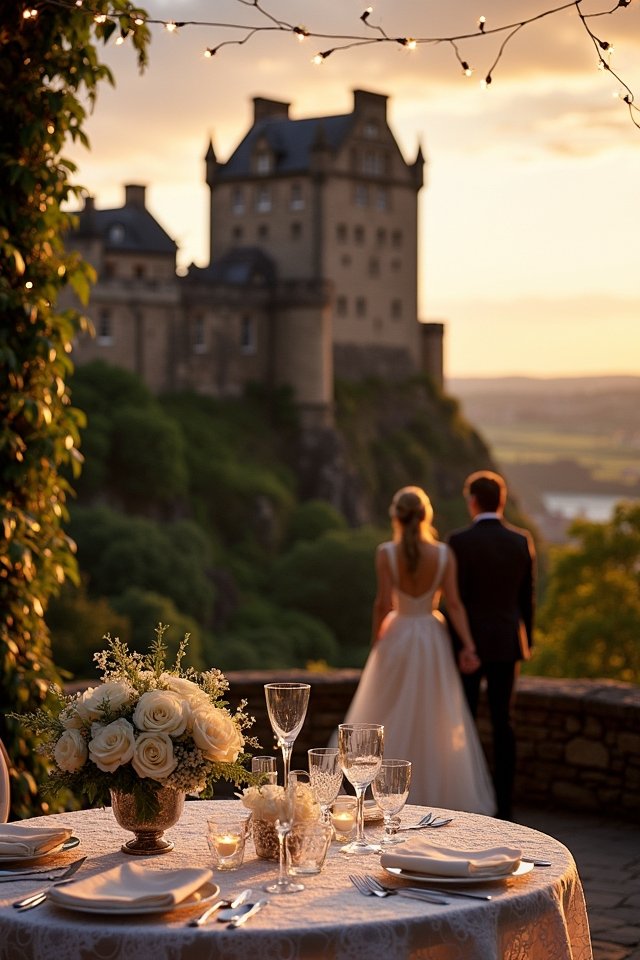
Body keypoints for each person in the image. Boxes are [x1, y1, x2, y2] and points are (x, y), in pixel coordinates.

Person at [341, 486, 496, 815]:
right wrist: (469, 645)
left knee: (385, 710)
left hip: (397, 634)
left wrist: (376, 641)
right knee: (436, 715)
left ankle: (381, 788)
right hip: (431, 637)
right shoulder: (443, 554)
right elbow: (455, 604)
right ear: (427, 516)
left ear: (396, 517)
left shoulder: (386, 552)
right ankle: (433, 791)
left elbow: (383, 603)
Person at [448, 471, 536, 822]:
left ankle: (468, 798)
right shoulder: (520, 540)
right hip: (506, 643)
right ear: (501, 501)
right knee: (504, 723)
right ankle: (505, 806)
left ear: (473, 501)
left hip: (467, 646)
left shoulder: (459, 541)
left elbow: (454, 600)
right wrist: (527, 641)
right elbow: (527, 599)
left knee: (464, 724)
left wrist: (459, 646)